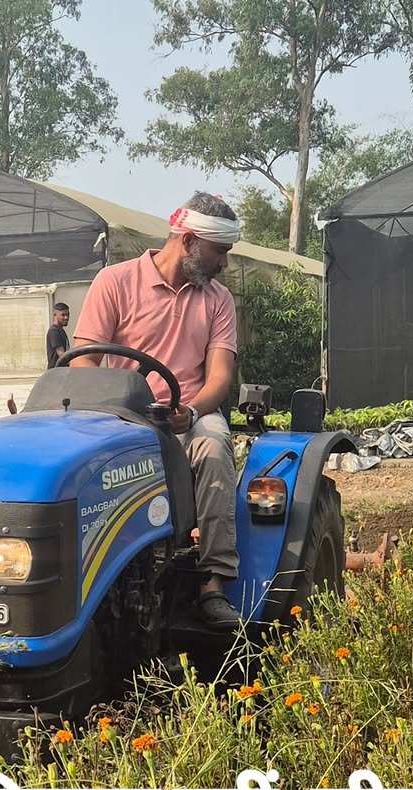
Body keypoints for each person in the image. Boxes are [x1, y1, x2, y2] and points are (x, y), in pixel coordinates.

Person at [71, 192, 244, 629]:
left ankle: (212, 583)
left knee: (214, 445)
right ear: (188, 241)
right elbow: (83, 361)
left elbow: (219, 377)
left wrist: (191, 410)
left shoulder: (218, 299)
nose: (223, 263)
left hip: (188, 414)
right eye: (219, 251)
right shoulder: (114, 282)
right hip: (122, 415)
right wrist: (110, 406)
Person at [45, 303, 70, 368]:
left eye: (68, 314)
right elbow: (61, 354)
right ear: (55, 315)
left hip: (62, 371)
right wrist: (75, 364)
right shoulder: (54, 331)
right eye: (63, 315)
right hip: (56, 371)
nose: (66, 317)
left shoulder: (60, 330)